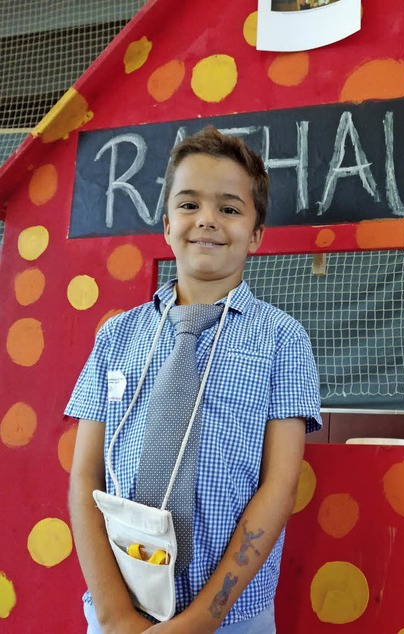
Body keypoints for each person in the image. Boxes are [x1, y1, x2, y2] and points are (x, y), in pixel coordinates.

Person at [66, 126, 322, 633]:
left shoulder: (282, 340)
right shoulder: (117, 337)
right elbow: (84, 479)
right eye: (189, 205)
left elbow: (279, 485)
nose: (207, 219)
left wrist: (201, 622)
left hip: (231, 618)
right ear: (166, 225)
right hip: (119, 610)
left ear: (255, 235)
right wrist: (116, 617)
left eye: (229, 208)